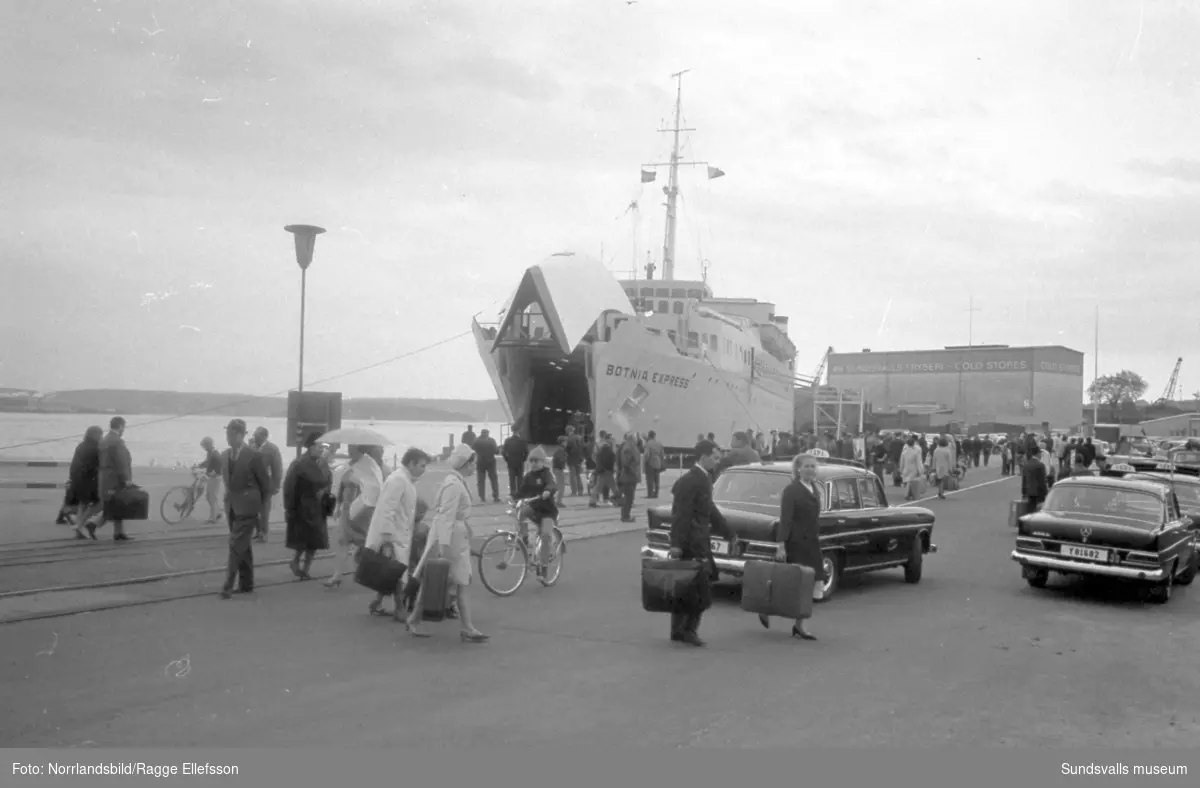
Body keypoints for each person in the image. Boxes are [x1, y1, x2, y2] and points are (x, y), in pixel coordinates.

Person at [406, 444, 488, 642]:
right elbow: (446, 517)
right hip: (451, 539)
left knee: (448, 582)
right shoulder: (454, 485)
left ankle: (464, 626)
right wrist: (443, 547)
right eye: (473, 463)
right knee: (446, 581)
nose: (475, 467)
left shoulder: (454, 482)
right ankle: (464, 627)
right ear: (465, 463)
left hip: (454, 538)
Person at [665, 440, 728, 648]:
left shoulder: (703, 478)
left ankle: (679, 629)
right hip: (693, 543)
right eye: (715, 457)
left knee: (686, 587)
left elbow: (709, 508)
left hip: (698, 540)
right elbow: (680, 515)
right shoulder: (691, 480)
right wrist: (676, 544)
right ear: (703, 457)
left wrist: (726, 530)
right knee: (698, 589)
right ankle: (687, 630)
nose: (717, 462)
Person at [759, 453, 823, 640]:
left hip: (812, 542)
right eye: (806, 466)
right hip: (796, 542)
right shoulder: (791, 491)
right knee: (789, 583)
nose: (810, 469)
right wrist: (781, 545)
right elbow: (785, 520)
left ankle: (799, 625)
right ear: (798, 469)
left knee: (811, 582)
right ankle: (765, 609)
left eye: (813, 466)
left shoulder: (815, 488)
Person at [364, 447, 430, 618]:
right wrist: (386, 539)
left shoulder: (405, 480)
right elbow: (387, 509)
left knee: (392, 572)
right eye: (422, 466)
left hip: (399, 534)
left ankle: (378, 602)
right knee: (397, 572)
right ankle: (399, 609)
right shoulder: (398, 480)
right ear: (411, 463)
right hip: (393, 535)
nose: (424, 470)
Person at [219, 419, 271, 599]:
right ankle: (247, 583)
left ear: (241, 435)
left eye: (232, 434)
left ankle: (228, 584)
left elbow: (266, 486)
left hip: (248, 507)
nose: (228, 438)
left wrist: (261, 513)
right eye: (227, 434)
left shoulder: (254, 456)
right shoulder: (225, 455)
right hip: (232, 506)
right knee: (242, 545)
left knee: (235, 544)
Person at [325, 444, 384, 589]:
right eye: (349, 448)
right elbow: (341, 488)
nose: (349, 451)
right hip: (347, 509)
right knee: (343, 542)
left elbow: (375, 488)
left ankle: (368, 572)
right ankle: (337, 575)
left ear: (361, 450)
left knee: (366, 543)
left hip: (363, 510)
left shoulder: (369, 464)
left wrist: (357, 481)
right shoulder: (348, 465)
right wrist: (338, 506)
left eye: (353, 448)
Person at [283, 432, 332, 581]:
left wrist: (325, 491)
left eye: (322, 447)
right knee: (303, 540)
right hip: (303, 508)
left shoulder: (322, 464)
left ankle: (306, 569)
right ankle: (295, 561)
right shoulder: (299, 464)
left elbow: (328, 481)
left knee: (315, 541)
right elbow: (289, 487)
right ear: (310, 447)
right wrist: (289, 509)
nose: (321, 450)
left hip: (318, 507)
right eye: (318, 447)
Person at [515, 446, 559, 578]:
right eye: (531, 461)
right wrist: (512, 497)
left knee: (545, 535)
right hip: (534, 508)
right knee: (520, 512)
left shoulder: (546, 474)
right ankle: (524, 537)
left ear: (543, 462)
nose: (533, 464)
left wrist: (548, 491)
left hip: (547, 512)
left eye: (536, 461)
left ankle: (544, 566)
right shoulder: (528, 476)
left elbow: (552, 484)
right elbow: (521, 492)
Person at [90, 416, 134, 541]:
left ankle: (118, 532)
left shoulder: (105, 439)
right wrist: (126, 479)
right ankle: (93, 525)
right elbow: (121, 462)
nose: (124, 429)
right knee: (115, 504)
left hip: (105, 477)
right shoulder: (116, 441)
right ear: (120, 426)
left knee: (116, 504)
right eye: (123, 427)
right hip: (114, 478)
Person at [63, 426, 103, 538]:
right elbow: (98, 465)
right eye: (100, 435)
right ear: (96, 435)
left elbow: (75, 463)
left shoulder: (81, 446)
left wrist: (72, 478)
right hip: (89, 481)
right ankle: (81, 524)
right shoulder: (96, 448)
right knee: (100, 503)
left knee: (82, 504)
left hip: (77, 479)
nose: (102, 437)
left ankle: (78, 529)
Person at [250, 427, 284, 543]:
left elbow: (277, 468)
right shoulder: (252, 446)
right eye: (254, 435)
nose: (254, 437)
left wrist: (276, 485)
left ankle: (264, 533)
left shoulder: (272, 449)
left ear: (264, 436)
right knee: (252, 510)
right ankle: (258, 530)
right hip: (252, 484)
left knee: (264, 511)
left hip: (265, 485)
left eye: (257, 436)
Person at [197, 437, 224, 524]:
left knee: (211, 497)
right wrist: (199, 465)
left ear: (209, 445)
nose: (204, 448)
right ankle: (217, 514)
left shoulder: (214, 454)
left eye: (205, 446)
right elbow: (207, 462)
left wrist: (215, 472)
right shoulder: (210, 452)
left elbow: (221, 465)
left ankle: (214, 518)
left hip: (215, 478)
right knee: (210, 497)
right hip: (212, 477)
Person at [616, 432, 641, 523]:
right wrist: (631, 472)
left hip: (631, 475)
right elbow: (626, 463)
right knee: (628, 497)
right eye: (635, 438)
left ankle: (626, 515)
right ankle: (625, 516)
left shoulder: (631, 446)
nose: (636, 439)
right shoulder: (629, 448)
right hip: (629, 476)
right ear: (631, 438)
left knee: (629, 497)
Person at [473, 428, 500, 502]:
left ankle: (482, 496)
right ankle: (496, 496)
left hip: (480, 462)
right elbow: (496, 451)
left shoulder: (477, 441)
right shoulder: (491, 440)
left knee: (480, 480)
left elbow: (473, 448)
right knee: (493, 479)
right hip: (491, 462)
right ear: (488, 434)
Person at [1022, 444, 1049, 513]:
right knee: (1038, 512)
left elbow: (1024, 480)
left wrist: (1023, 493)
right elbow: (1042, 481)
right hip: (1038, 493)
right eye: (1040, 453)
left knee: (1029, 510)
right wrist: (1046, 493)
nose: (1041, 455)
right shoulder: (1040, 465)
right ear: (1038, 454)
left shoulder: (1026, 464)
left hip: (1028, 492)